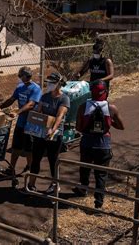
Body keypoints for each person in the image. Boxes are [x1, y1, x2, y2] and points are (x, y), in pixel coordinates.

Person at [73, 80, 124, 209]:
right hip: (103, 144)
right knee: (101, 174)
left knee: (84, 168)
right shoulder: (111, 108)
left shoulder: (83, 106)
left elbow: (78, 128)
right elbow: (121, 126)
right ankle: (98, 204)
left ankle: (83, 189)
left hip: (87, 143)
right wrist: (108, 122)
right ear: (105, 92)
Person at [28, 73, 70, 194]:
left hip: (54, 134)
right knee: (36, 158)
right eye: (48, 82)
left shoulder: (64, 99)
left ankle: (55, 184)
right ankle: (31, 184)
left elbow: (59, 116)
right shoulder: (45, 96)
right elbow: (38, 111)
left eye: (51, 83)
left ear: (58, 84)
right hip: (41, 132)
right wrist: (33, 122)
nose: (49, 85)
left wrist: (53, 129)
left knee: (53, 159)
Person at [0, 66, 41, 175]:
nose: (20, 78)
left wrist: (17, 112)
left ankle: (30, 169)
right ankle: (11, 168)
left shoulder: (36, 89)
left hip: (30, 123)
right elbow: (12, 99)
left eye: (21, 76)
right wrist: (0, 107)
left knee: (29, 149)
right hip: (21, 123)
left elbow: (31, 104)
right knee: (16, 147)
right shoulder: (20, 87)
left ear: (26, 76)